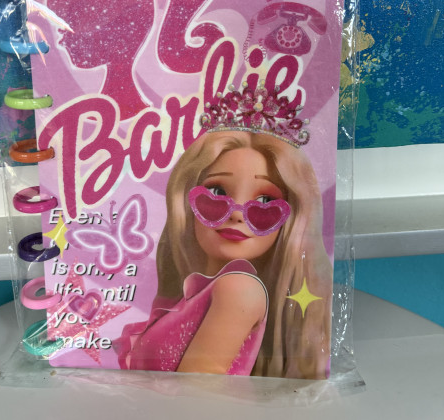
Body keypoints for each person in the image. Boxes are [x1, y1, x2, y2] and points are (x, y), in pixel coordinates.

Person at [116, 127, 332, 380]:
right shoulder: (201, 292)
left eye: (264, 201)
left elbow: (193, 393)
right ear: (185, 200)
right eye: (217, 192)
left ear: (291, 217)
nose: (237, 214)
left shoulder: (237, 289)